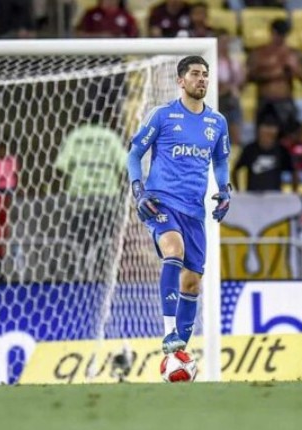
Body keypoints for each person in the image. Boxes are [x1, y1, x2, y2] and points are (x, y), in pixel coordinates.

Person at [127, 56, 231, 354]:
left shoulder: (217, 122)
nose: (202, 79)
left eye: (205, 75)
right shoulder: (161, 116)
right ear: (180, 81)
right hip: (161, 202)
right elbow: (133, 155)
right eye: (195, 74)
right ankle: (168, 331)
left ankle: (177, 354)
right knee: (174, 250)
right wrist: (138, 191)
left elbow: (221, 160)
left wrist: (224, 190)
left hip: (194, 211)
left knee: (192, 284)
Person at [55, 112, 128, 280]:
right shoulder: (110, 137)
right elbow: (125, 165)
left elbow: (61, 167)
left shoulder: (77, 135)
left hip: (79, 197)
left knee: (79, 242)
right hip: (106, 197)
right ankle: (100, 276)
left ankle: (79, 277)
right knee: (103, 241)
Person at [247, 19, 302, 133]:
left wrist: (295, 68)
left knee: (287, 138)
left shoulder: (293, 53)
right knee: (263, 138)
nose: (280, 38)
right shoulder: (259, 53)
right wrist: (275, 74)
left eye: (283, 34)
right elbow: (250, 76)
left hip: (285, 101)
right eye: (278, 34)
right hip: (265, 101)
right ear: (272, 33)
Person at [233, 116, 298, 192]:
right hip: (253, 196)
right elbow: (236, 170)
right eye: (265, 128)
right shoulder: (250, 149)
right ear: (259, 130)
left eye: (271, 129)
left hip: (274, 195)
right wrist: (238, 191)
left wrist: (294, 192)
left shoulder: (281, 150)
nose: (268, 132)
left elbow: (293, 171)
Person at [217, 28, 245, 149]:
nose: (225, 45)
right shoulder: (211, 61)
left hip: (232, 101)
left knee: (236, 136)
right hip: (218, 101)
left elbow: (240, 83)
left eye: (227, 42)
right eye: (222, 42)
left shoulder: (234, 62)